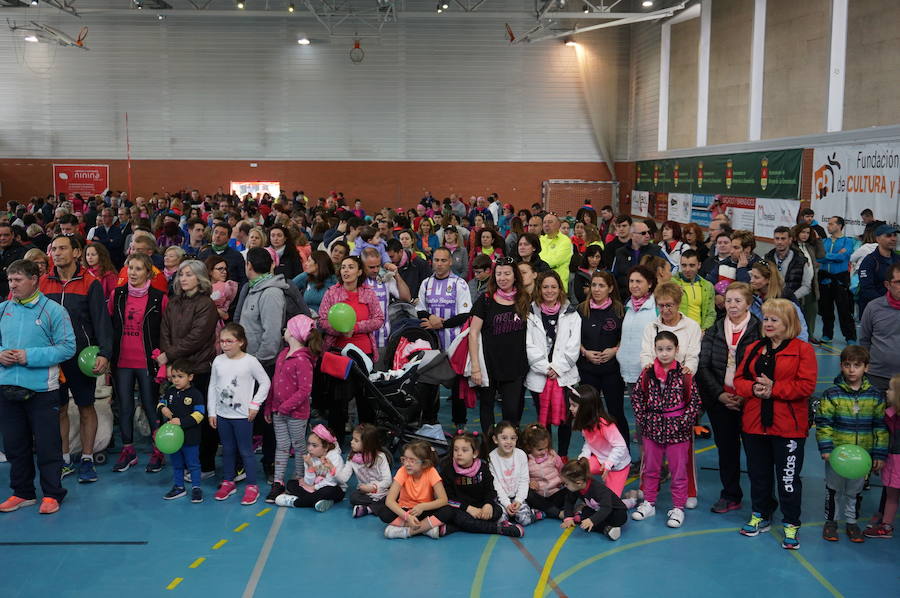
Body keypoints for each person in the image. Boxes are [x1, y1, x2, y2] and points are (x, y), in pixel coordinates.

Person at [733, 298, 817, 550]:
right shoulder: (754, 348)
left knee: (788, 479)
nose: (768, 323)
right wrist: (755, 389)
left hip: (788, 427)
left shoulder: (803, 350)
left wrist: (774, 390)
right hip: (754, 424)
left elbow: (806, 386)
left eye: (774, 319)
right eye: (766, 319)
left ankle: (791, 523)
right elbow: (739, 380)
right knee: (758, 475)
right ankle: (760, 514)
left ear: (788, 323)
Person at [0, 260, 75, 515]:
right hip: (7, 388)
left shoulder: (53, 311)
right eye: (10, 280)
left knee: (47, 445)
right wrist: (0, 354)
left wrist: (28, 356)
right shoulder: (2, 310)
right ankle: (22, 493)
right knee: (14, 445)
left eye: (18, 280)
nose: (13, 285)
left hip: (43, 390)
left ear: (34, 279)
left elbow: (67, 347)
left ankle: (53, 494)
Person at [41, 234, 113, 483]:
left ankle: (87, 459)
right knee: (59, 409)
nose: (57, 253)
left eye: (63, 248)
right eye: (54, 249)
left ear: (76, 253)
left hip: (81, 357)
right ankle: (64, 460)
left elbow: (102, 321)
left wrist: (104, 353)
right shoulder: (43, 283)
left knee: (85, 407)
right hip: (52, 359)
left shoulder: (90, 283)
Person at [697, 282, 761, 514]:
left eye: (738, 301)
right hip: (721, 401)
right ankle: (731, 494)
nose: (732, 305)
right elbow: (703, 366)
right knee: (726, 450)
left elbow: (763, 368)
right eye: (729, 300)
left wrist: (746, 394)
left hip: (751, 402)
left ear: (749, 304)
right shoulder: (715, 330)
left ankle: (761, 500)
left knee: (756, 453)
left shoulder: (760, 330)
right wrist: (720, 394)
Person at [815, 345, 887, 543]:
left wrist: (879, 455)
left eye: (857, 365)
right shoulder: (832, 393)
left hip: (861, 457)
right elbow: (824, 423)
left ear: (867, 368)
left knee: (854, 492)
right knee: (834, 489)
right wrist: (827, 449)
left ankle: (852, 522)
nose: (852, 370)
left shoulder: (875, 396)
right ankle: (831, 522)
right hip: (837, 456)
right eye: (847, 365)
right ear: (841, 367)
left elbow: (880, 427)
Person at [630, 331, 701, 529]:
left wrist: (682, 424)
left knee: (678, 471)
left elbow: (694, 403)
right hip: (652, 430)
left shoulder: (685, 375)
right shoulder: (647, 373)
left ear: (677, 350)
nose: (664, 353)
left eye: (669, 349)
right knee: (651, 469)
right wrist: (644, 420)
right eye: (660, 349)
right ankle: (649, 503)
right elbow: (636, 398)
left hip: (678, 432)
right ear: (655, 350)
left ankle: (678, 507)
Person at [158, 259, 219, 479]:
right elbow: (164, 330)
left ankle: (206, 465)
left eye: (188, 274)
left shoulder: (206, 304)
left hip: (199, 369)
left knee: (199, 421)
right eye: (181, 274)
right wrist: (171, 361)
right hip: (177, 368)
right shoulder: (174, 302)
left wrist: (171, 355)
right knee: (178, 416)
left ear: (200, 278)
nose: (183, 278)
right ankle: (185, 463)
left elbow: (198, 337)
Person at [109, 253, 169, 473]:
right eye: (130, 268)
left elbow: (166, 330)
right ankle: (128, 450)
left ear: (148, 272)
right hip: (122, 362)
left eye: (138, 269)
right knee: (124, 407)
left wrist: (162, 356)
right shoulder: (117, 294)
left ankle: (158, 450)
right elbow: (109, 324)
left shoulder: (159, 297)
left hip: (147, 362)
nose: (133, 273)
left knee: (151, 406)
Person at [318, 256, 385, 439]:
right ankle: (336, 441)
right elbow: (323, 320)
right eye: (343, 267)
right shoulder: (332, 292)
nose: (346, 271)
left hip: (364, 353)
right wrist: (340, 330)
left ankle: (367, 442)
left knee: (365, 400)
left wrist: (354, 328)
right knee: (337, 401)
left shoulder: (368, 293)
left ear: (359, 272)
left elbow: (379, 319)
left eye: (351, 267)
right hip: (338, 354)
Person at [209, 323, 271, 506]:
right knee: (227, 450)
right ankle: (228, 482)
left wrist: (255, 404)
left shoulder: (250, 361)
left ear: (241, 342)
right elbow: (212, 386)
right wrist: (212, 411)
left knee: (245, 451)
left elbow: (265, 382)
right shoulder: (218, 361)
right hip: (222, 415)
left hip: (243, 417)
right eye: (222, 341)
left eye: (229, 341)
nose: (225, 345)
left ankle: (252, 486)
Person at [468, 257, 530, 434]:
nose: (503, 278)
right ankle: (489, 447)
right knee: (487, 408)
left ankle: (509, 446)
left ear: (515, 276)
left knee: (511, 411)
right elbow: (473, 333)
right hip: (489, 366)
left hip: (515, 366)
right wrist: (475, 367)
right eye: (499, 274)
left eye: (507, 274)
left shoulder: (524, 300)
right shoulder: (485, 300)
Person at [263, 314, 320, 504]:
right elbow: (274, 383)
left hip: (295, 413)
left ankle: (299, 479)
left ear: (294, 333)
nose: (284, 332)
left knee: (298, 445)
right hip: (279, 411)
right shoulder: (282, 354)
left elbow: (305, 390)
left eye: (287, 328)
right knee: (282, 445)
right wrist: (270, 406)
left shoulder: (303, 360)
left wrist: (285, 407)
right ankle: (278, 482)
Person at [525, 271, 580, 456]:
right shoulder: (530, 312)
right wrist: (545, 368)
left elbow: (574, 345)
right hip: (539, 376)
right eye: (545, 287)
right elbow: (528, 345)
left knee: (566, 419)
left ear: (560, 289)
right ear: (539, 289)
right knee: (543, 421)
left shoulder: (572, 313)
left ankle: (563, 455)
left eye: (553, 287)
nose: (549, 291)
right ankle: (546, 456)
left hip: (565, 376)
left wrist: (557, 368)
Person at [415, 247, 472, 424]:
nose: (439, 264)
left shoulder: (459, 283)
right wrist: (431, 319)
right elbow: (420, 310)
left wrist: (442, 324)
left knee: (456, 385)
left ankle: (459, 422)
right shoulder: (426, 283)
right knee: (430, 383)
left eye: (443, 260)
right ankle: (430, 421)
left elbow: (465, 314)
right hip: (432, 342)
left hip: (454, 342)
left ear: (451, 262)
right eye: (436, 260)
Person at [437, 432, 522, 536]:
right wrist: (468, 508)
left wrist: (488, 504)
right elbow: (448, 499)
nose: (459, 453)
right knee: (458, 517)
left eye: (464, 450)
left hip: (480, 506)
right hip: (461, 508)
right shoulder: (448, 470)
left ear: (475, 453)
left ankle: (454, 527)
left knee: (498, 511)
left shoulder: (483, 467)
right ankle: (499, 529)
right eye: (456, 450)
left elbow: (490, 490)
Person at [569, 385, 631, 499]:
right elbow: (589, 443)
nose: (570, 408)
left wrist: (609, 464)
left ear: (585, 408)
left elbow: (620, 446)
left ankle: (632, 499)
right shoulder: (585, 422)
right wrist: (583, 457)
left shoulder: (604, 424)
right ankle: (586, 497)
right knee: (579, 469)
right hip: (600, 460)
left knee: (612, 503)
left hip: (617, 465)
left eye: (573, 405)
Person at [157, 360, 206, 503]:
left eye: (180, 376)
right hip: (173, 439)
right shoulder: (170, 391)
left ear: (190, 377)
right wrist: (162, 408)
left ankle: (196, 488)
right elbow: (161, 402)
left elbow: (199, 415)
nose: (176, 380)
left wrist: (182, 422)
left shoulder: (196, 394)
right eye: (173, 376)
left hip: (191, 438)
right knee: (177, 464)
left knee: (193, 464)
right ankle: (179, 487)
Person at [382, 440, 449, 539]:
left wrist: (422, 506)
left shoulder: (431, 472)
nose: (407, 464)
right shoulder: (402, 471)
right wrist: (407, 517)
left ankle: (407, 532)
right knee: (383, 512)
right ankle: (426, 528)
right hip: (406, 511)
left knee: (448, 511)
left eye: (412, 460)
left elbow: (443, 500)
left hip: (424, 510)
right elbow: (389, 500)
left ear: (424, 464)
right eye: (405, 459)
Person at [275, 424, 346, 512]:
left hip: (333, 487)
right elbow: (309, 482)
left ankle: (295, 502)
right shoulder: (310, 457)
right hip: (314, 488)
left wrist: (315, 487)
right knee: (291, 484)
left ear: (326, 447)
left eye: (314, 445)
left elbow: (332, 481)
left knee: (328, 491)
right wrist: (310, 467)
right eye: (308, 444)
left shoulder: (335, 458)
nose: (309, 448)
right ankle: (320, 501)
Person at [864, 374, 900, 539]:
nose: (887, 391)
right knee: (891, 495)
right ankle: (886, 525)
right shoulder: (888, 414)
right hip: (892, 461)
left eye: (891, 389)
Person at [559, 458, 628, 541]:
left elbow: (606, 508)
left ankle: (605, 528)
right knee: (585, 514)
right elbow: (569, 501)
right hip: (597, 509)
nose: (565, 486)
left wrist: (592, 520)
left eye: (566, 484)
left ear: (578, 482)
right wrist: (568, 517)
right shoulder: (576, 488)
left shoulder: (598, 489)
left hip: (615, 510)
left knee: (619, 518)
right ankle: (606, 527)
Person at [336, 423, 392, 519]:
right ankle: (379, 506)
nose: (351, 442)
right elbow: (343, 478)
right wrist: (332, 470)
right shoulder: (352, 457)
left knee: (396, 495)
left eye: (356, 440)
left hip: (383, 491)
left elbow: (388, 481)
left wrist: (373, 487)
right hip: (366, 493)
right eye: (352, 439)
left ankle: (369, 509)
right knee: (353, 497)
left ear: (367, 443)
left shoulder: (380, 457)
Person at [860, 262, 900, 390]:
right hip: (877, 376)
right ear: (887, 285)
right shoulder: (873, 307)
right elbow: (864, 340)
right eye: (898, 282)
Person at [489, 422, 538, 526]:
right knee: (500, 521)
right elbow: (496, 485)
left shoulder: (521, 455)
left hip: (517, 497)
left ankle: (534, 513)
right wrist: (506, 504)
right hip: (500, 498)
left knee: (526, 520)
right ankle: (510, 514)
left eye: (513, 438)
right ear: (495, 439)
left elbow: (524, 480)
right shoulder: (492, 458)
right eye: (504, 438)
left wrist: (518, 501)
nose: (509, 442)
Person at [817, 216, 856, 344]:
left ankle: (850, 337)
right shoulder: (824, 242)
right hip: (825, 279)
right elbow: (819, 258)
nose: (828, 226)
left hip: (840, 279)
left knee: (844, 309)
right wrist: (832, 256)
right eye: (828, 224)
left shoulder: (848, 241)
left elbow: (843, 256)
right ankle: (827, 334)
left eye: (831, 224)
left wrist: (827, 256)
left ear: (839, 226)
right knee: (826, 309)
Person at [747, 262, 809, 342]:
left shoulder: (786, 298)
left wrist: (799, 350)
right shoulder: (751, 296)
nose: (751, 280)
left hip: (783, 344)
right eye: (751, 275)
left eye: (756, 277)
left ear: (768, 279)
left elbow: (800, 329)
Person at [618, 265, 657, 387]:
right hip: (628, 370)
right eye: (631, 281)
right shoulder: (628, 306)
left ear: (650, 284)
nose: (634, 285)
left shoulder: (657, 306)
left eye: (638, 281)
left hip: (649, 371)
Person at [522, 424, 566, 520]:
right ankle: (556, 513)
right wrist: (530, 483)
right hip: (539, 496)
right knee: (527, 494)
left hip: (555, 493)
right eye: (540, 449)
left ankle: (544, 511)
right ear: (529, 447)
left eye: (546, 447)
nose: (544, 452)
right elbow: (523, 478)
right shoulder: (526, 461)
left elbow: (562, 469)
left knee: (572, 489)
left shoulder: (552, 455)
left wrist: (563, 478)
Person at [612, 220, 662, 300]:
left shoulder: (657, 250)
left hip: (650, 298)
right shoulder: (620, 252)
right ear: (632, 235)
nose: (648, 236)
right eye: (643, 233)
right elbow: (613, 277)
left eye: (648, 232)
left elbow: (672, 268)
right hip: (625, 298)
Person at [857, 224, 899, 316]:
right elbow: (867, 289)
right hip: (875, 312)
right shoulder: (869, 261)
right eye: (888, 235)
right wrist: (887, 304)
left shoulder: (898, 259)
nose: (893, 239)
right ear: (878, 239)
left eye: (895, 235)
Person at [791, 223, 824, 342]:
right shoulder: (792, 247)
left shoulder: (809, 246)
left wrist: (818, 239)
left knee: (812, 311)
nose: (805, 235)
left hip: (812, 285)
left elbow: (821, 254)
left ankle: (810, 334)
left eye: (807, 233)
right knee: (797, 312)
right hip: (798, 287)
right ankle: (796, 336)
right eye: (802, 232)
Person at [671, 250, 715, 331]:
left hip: (698, 333)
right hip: (676, 331)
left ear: (699, 265)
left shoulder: (707, 286)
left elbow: (711, 313)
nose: (687, 269)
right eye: (684, 265)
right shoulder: (671, 284)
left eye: (692, 265)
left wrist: (704, 330)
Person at [205, 255, 238, 353]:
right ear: (210, 271)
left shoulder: (230, 288)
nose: (224, 272)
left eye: (225, 269)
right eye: (220, 269)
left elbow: (228, 315)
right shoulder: (201, 288)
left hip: (222, 333)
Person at [540, 213, 574, 293]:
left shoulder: (565, 241)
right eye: (544, 222)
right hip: (541, 285)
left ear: (558, 225)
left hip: (558, 287)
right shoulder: (540, 239)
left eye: (550, 222)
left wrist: (538, 264)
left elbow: (555, 261)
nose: (546, 225)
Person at [0, 223, 28, 302]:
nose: (2, 238)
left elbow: (19, 274)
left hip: (13, 296)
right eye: (0, 235)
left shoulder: (22, 251)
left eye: (6, 235)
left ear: (12, 235)